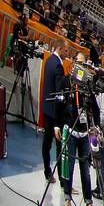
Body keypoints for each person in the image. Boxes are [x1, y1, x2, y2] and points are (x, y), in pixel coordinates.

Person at [58, 75, 101, 206]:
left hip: (85, 135)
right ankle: (67, 199)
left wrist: (96, 127)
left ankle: (89, 203)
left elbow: (95, 109)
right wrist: (57, 126)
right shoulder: (67, 83)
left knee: (85, 171)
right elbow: (59, 106)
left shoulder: (88, 90)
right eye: (79, 63)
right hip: (70, 132)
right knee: (68, 167)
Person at [40, 40, 66, 184]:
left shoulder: (48, 60)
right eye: (66, 51)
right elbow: (58, 93)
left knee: (47, 142)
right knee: (59, 146)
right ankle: (63, 180)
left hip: (47, 109)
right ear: (60, 49)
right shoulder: (57, 64)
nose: (68, 54)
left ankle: (47, 172)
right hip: (55, 113)